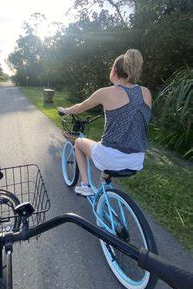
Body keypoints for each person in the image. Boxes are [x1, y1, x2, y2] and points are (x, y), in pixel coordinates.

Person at [58, 49, 152, 196]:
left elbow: (79, 108)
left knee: (79, 143)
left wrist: (65, 110)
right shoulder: (146, 92)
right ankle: (104, 195)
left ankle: (85, 185)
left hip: (112, 157)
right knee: (106, 158)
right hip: (136, 160)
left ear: (113, 71)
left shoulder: (105, 92)